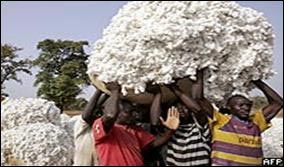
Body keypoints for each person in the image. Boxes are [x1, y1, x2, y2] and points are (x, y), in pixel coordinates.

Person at [92, 82, 180, 166]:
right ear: (118, 112)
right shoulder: (102, 127)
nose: (135, 115)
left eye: (134, 111)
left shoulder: (135, 130)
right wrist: (115, 91)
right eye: (129, 112)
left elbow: (153, 144)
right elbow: (110, 116)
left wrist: (170, 131)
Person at [198, 79, 283, 166]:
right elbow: (199, 99)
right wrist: (199, 71)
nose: (246, 108)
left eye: (248, 105)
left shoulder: (256, 122)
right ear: (229, 107)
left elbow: (278, 103)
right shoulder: (221, 121)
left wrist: (257, 80)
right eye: (241, 105)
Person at [150, 69, 211, 166]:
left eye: (184, 107)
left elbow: (198, 109)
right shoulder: (170, 130)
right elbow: (155, 123)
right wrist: (158, 94)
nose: (181, 110)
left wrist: (173, 87)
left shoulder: (199, 128)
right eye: (177, 108)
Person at [73, 88, 108, 166]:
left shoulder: (102, 128)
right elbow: (87, 115)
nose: (98, 115)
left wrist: (108, 94)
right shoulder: (81, 125)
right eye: (97, 113)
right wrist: (99, 90)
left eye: (100, 114)